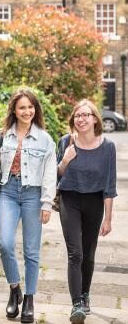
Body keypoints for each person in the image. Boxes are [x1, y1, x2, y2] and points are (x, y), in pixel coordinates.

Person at [0, 88, 57, 324]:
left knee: (32, 251)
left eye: (31, 107)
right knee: (5, 243)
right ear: (14, 109)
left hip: (33, 195)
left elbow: (50, 173)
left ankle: (29, 299)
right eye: (22, 107)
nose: (27, 111)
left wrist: (46, 203)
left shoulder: (45, 139)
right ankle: (14, 288)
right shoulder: (1, 136)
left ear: (36, 110)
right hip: (8, 192)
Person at [57, 100, 116, 324]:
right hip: (69, 199)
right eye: (77, 116)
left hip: (94, 202)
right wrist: (65, 159)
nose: (81, 119)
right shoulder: (66, 141)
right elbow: (56, 175)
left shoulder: (107, 147)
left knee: (89, 255)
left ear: (95, 119)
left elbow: (110, 185)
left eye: (86, 115)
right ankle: (76, 305)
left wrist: (108, 218)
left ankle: (85, 294)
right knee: (75, 253)